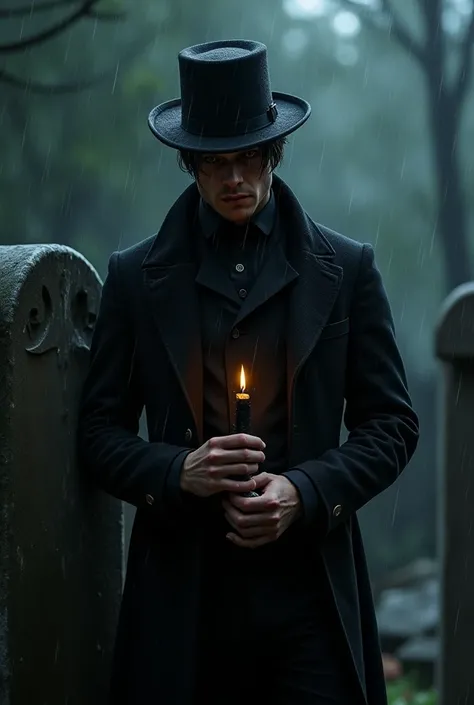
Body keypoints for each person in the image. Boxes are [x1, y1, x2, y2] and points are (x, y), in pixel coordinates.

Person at [78, 39, 419, 705]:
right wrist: (178, 471)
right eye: (215, 163)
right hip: (183, 596)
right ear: (190, 165)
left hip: (310, 594)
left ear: (274, 152)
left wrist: (303, 491)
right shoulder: (134, 277)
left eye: (247, 158)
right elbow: (95, 433)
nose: (234, 177)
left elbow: (392, 424)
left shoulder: (347, 269)